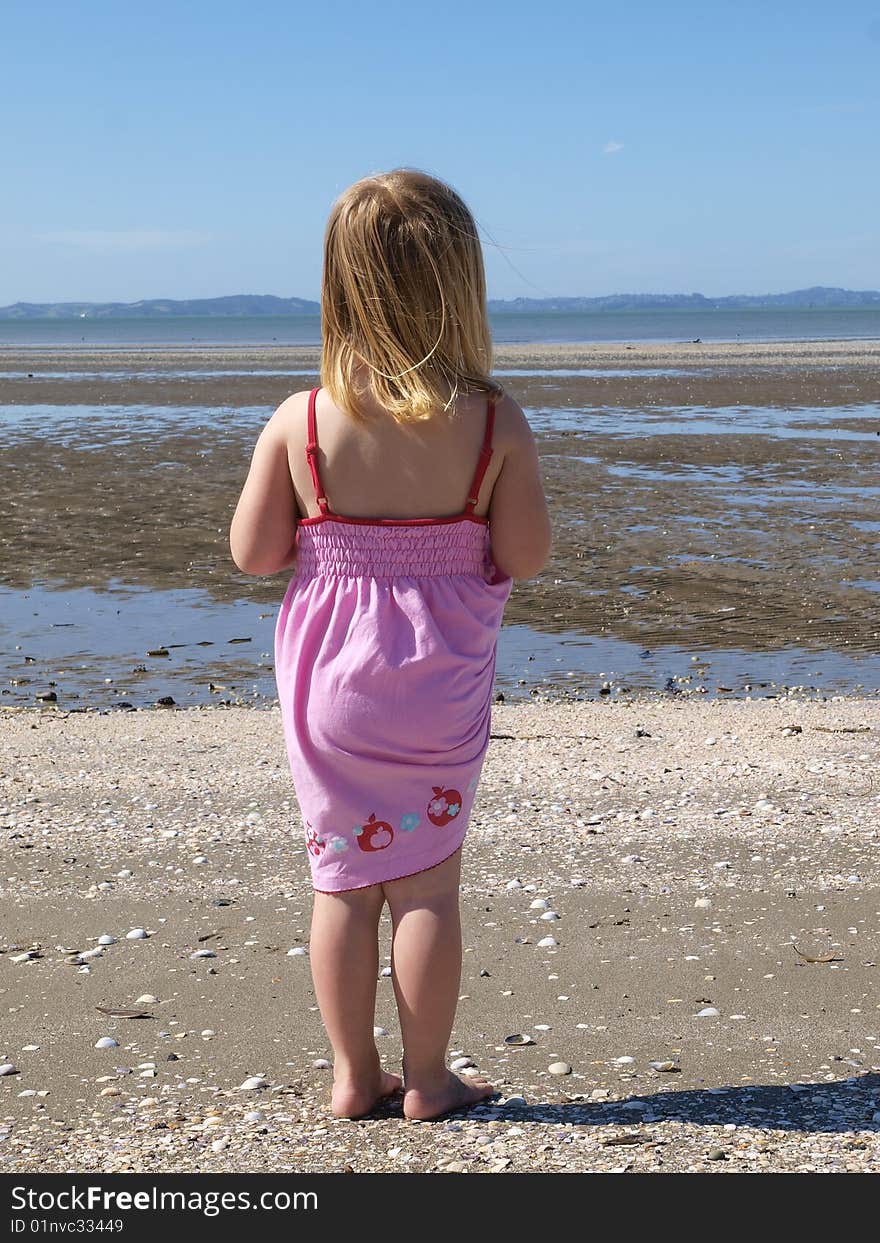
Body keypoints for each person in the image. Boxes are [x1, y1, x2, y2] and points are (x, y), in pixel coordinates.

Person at [230, 168, 552, 1121]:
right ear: (463, 284)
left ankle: (349, 1075)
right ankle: (429, 1078)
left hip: (332, 689)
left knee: (342, 883)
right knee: (427, 888)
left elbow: (254, 555)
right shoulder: (494, 420)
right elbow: (525, 555)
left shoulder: (304, 419)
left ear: (338, 283)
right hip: (441, 690)